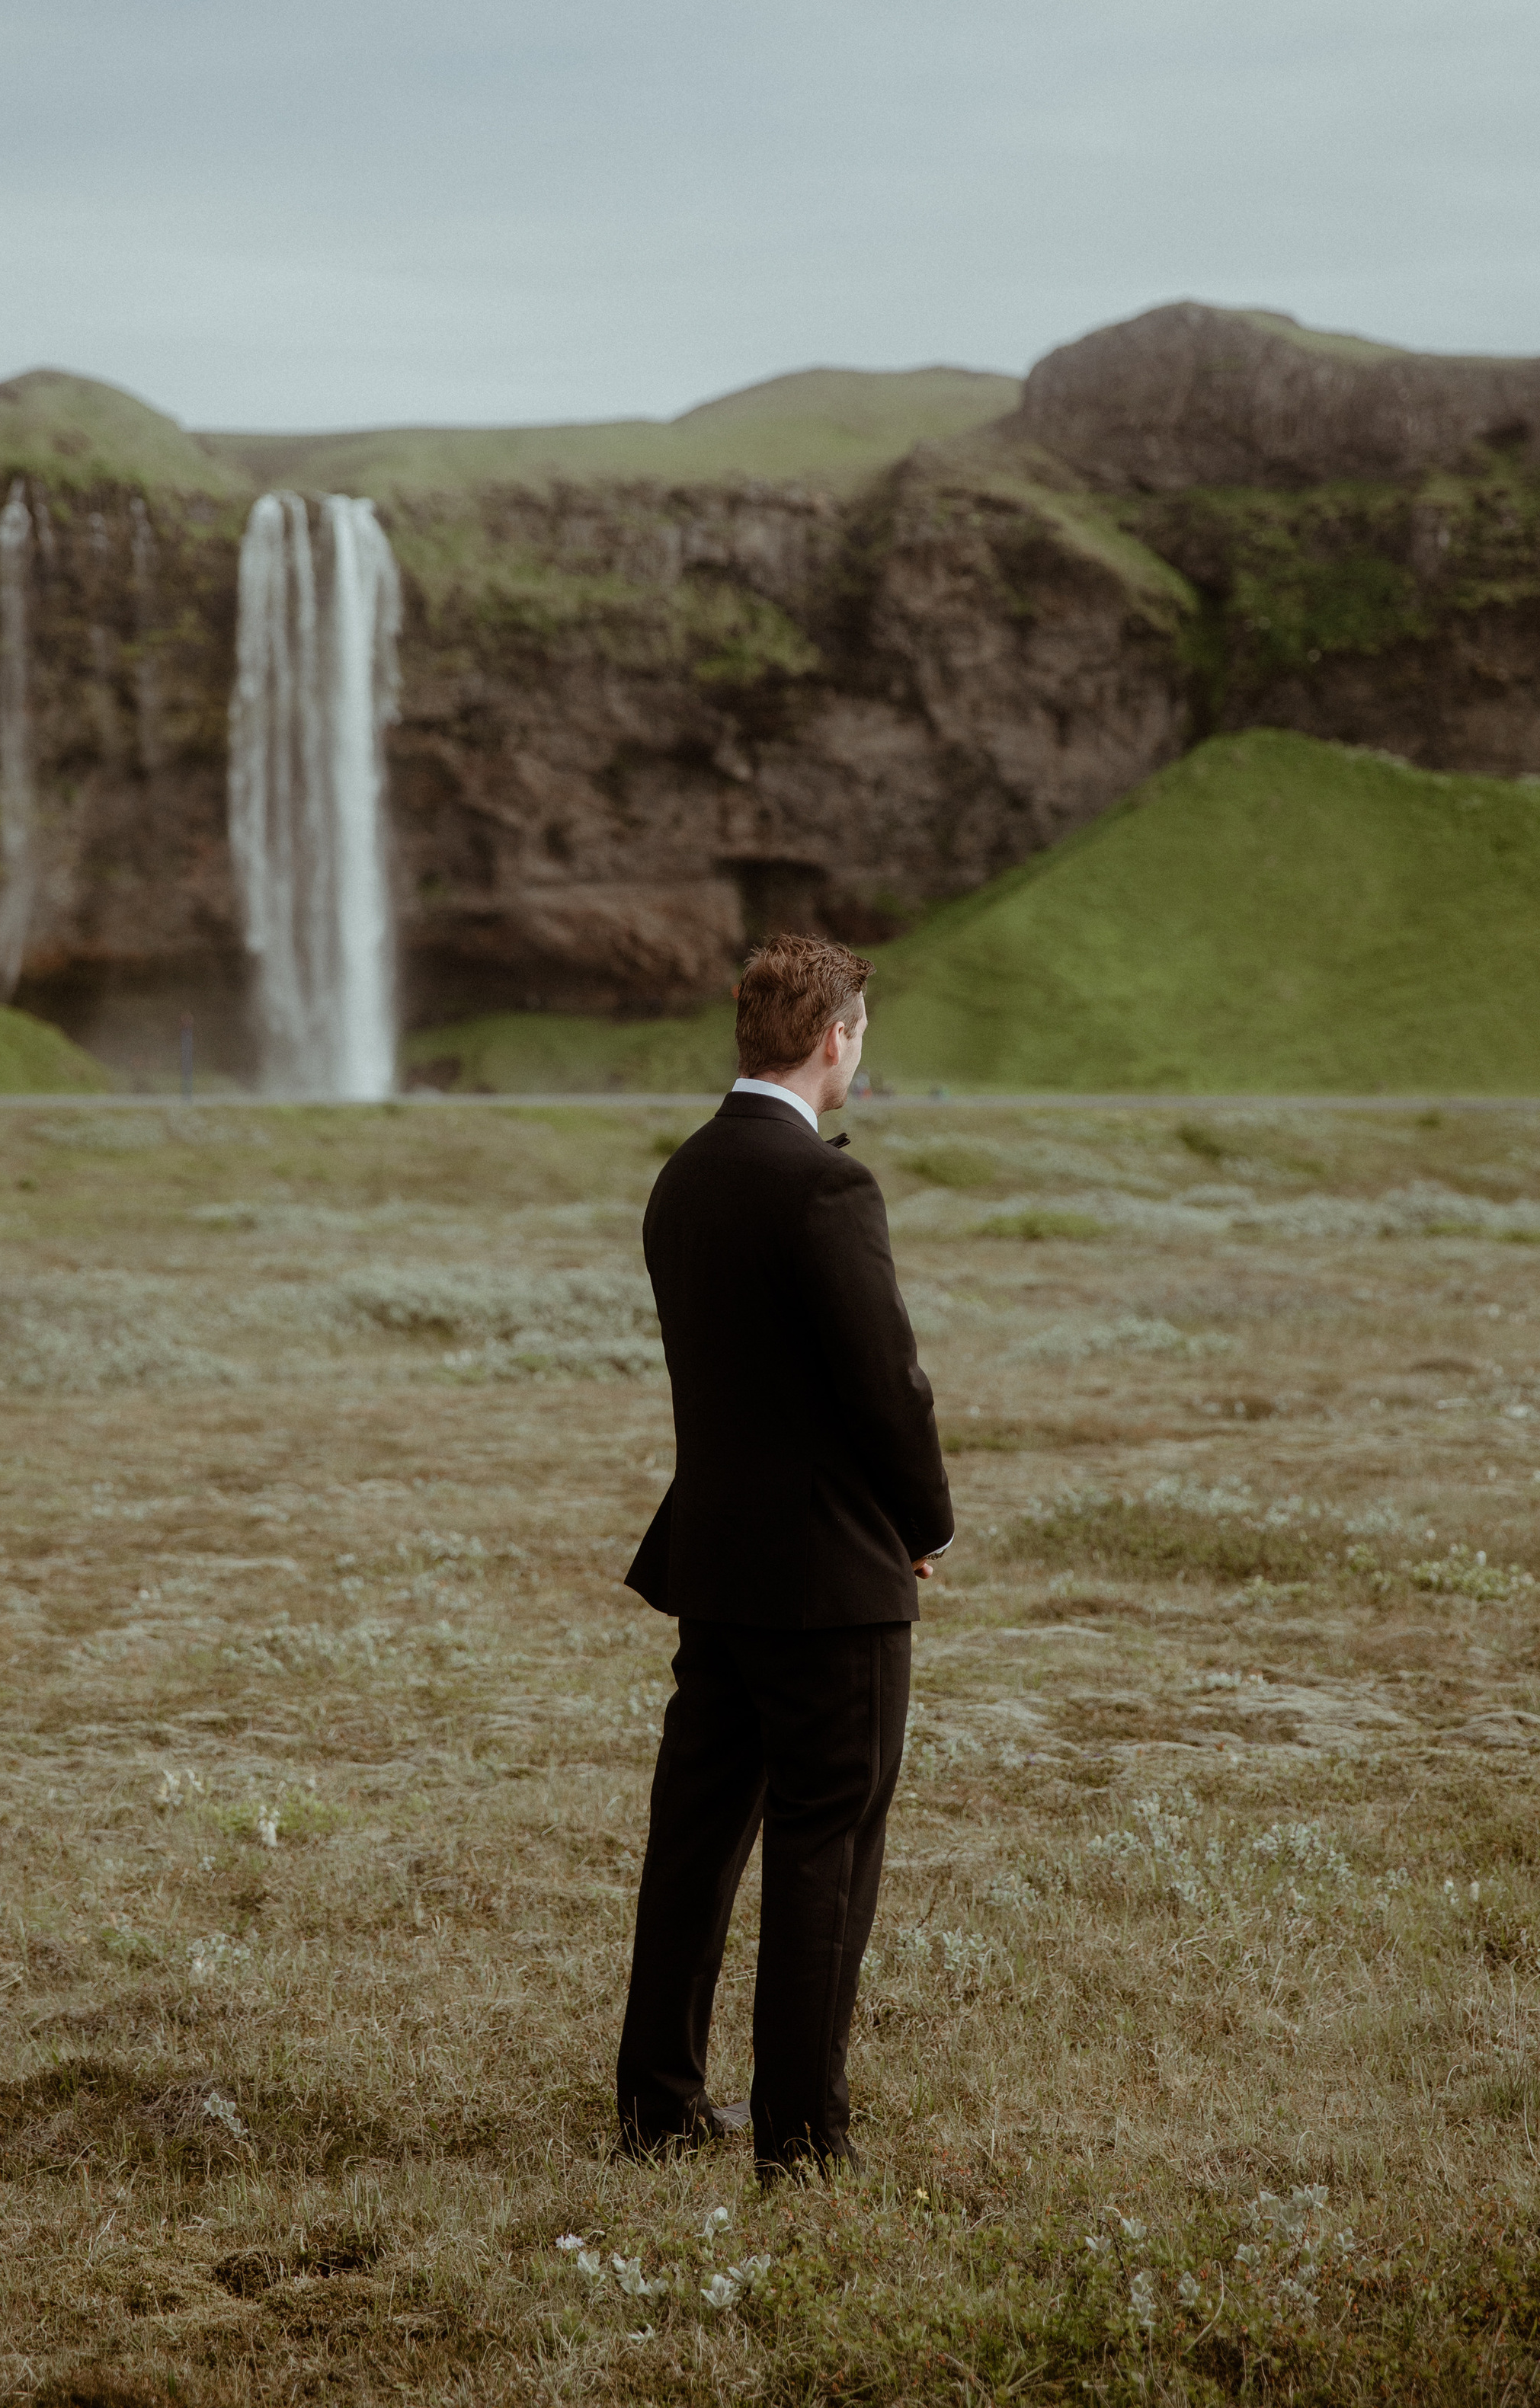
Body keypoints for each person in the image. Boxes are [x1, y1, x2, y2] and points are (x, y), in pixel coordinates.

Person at [616, 932, 953, 2176]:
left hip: (718, 1562)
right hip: (829, 1579)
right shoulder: (824, 1188)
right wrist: (921, 1526)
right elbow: (888, 1387)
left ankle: (655, 2105)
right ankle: (802, 2137)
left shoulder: (685, 1175)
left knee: (695, 1837)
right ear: (836, 1039)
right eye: (862, 1035)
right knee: (830, 1841)